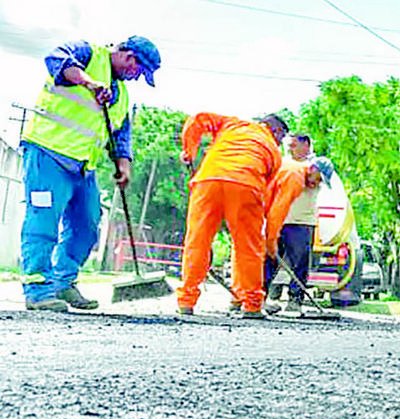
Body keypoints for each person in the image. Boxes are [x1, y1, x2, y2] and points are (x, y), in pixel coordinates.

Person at [19, 36, 161, 312]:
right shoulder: (87, 54)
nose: (135, 77)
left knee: (87, 225)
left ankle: (63, 282)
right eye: (138, 70)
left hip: (84, 167)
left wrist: (124, 164)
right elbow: (55, 59)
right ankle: (37, 289)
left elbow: (121, 135)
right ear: (128, 56)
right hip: (47, 153)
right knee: (43, 222)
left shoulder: (122, 94)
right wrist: (88, 82)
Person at [177, 112, 289, 318]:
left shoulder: (232, 124)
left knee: (197, 241)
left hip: (207, 181)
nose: (281, 143)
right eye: (282, 138)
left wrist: (189, 151)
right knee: (248, 246)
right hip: (247, 185)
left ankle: (186, 301)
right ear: (276, 131)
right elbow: (267, 192)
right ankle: (252, 304)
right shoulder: (274, 152)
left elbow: (197, 119)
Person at [263, 150, 334, 314]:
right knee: (269, 260)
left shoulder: (312, 183)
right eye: (319, 178)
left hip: (303, 224)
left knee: (300, 263)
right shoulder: (294, 174)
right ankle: (259, 297)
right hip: (280, 222)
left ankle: (295, 300)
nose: (318, 183)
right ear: (313, 169)